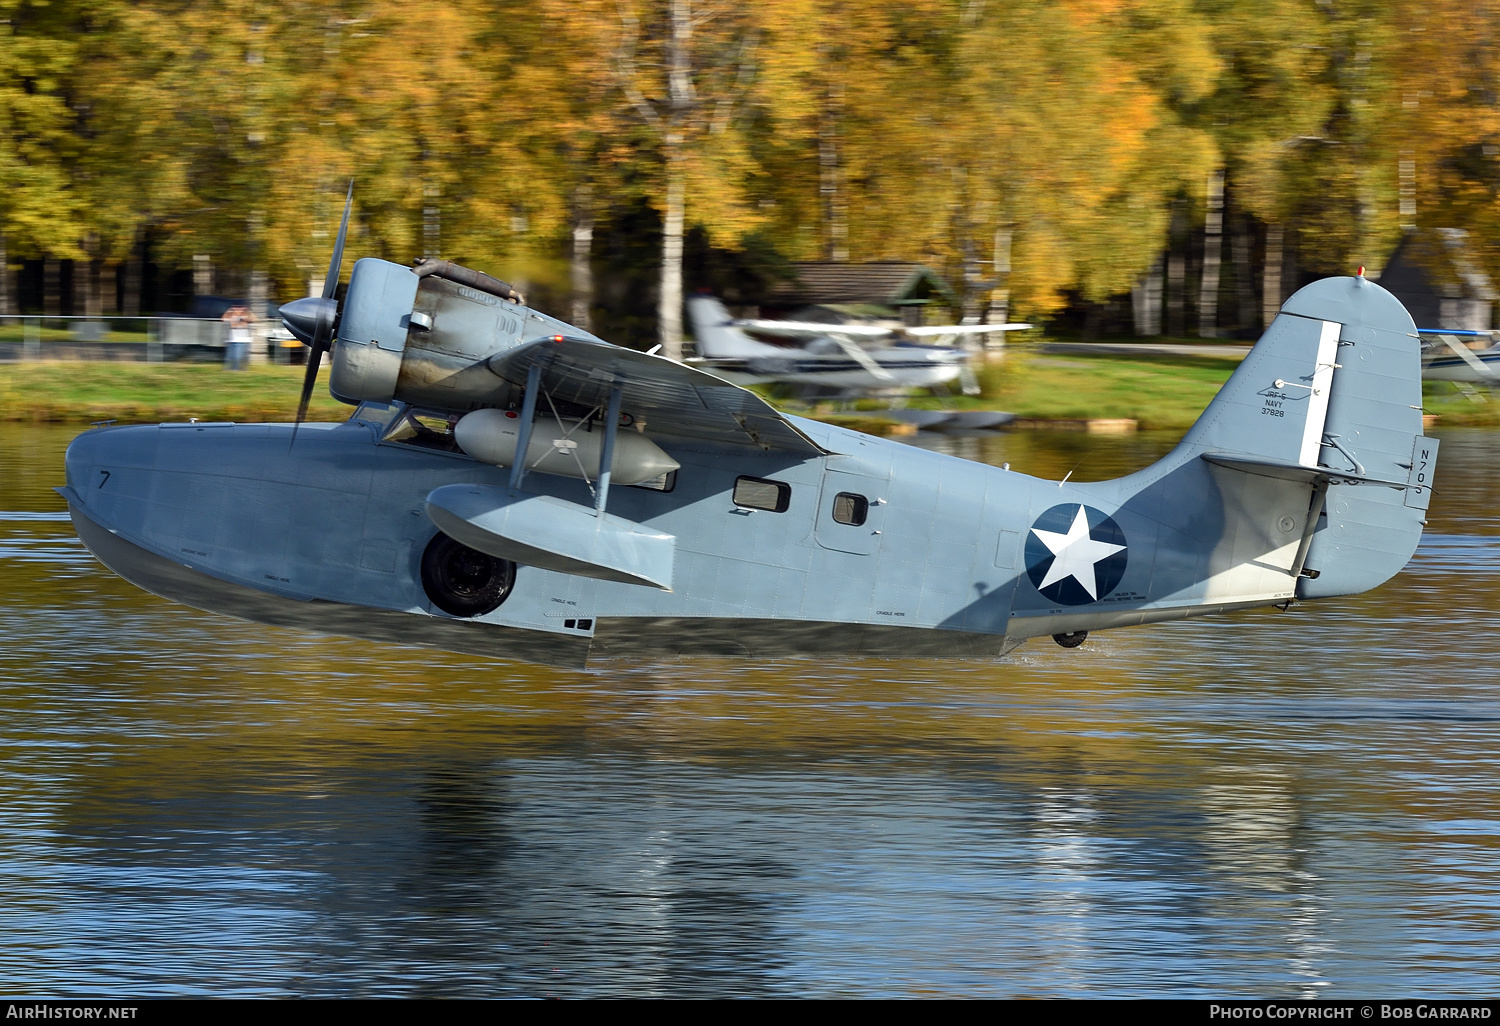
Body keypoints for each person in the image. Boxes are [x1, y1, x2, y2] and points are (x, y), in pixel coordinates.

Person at [222, 304, 255, 370]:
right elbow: (223, 319)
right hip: (233, 337)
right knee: (233, 355)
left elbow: (254, 319)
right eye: (236, 307)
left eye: (240, 307)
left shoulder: (246, 314)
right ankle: (234, 368)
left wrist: (248, 311)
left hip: (244, 338)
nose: (238, 309)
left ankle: (241, 368)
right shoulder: (231, 314)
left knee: (241, 355)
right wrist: (229, 311)